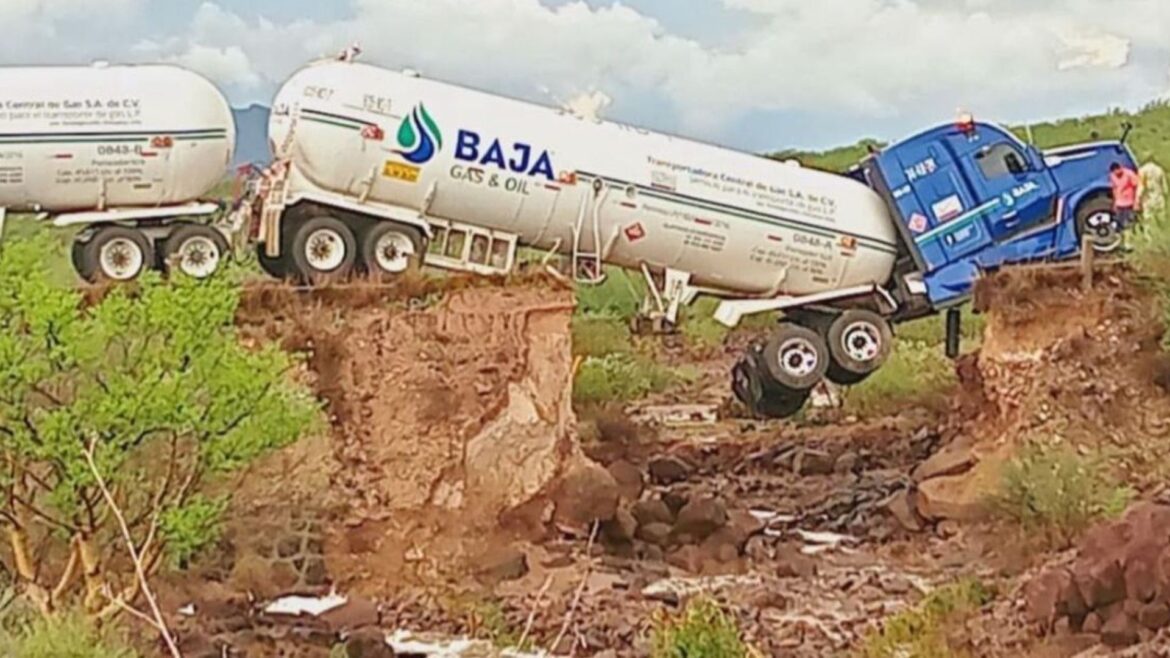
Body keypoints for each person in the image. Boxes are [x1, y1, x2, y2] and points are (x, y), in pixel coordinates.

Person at [1110, 161, 1143, 230]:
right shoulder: (1112, 176)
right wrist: (1115, 202)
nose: (1117, 173)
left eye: (1118, 170)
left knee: (1131, 222)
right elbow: (1114, 188)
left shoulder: (1129, 174)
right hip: (1120, 203)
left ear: (1120, 168)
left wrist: (1136, 201)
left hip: (1129, 202)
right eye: (1115, 171)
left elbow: (1137, 187)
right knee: (1120, 222)